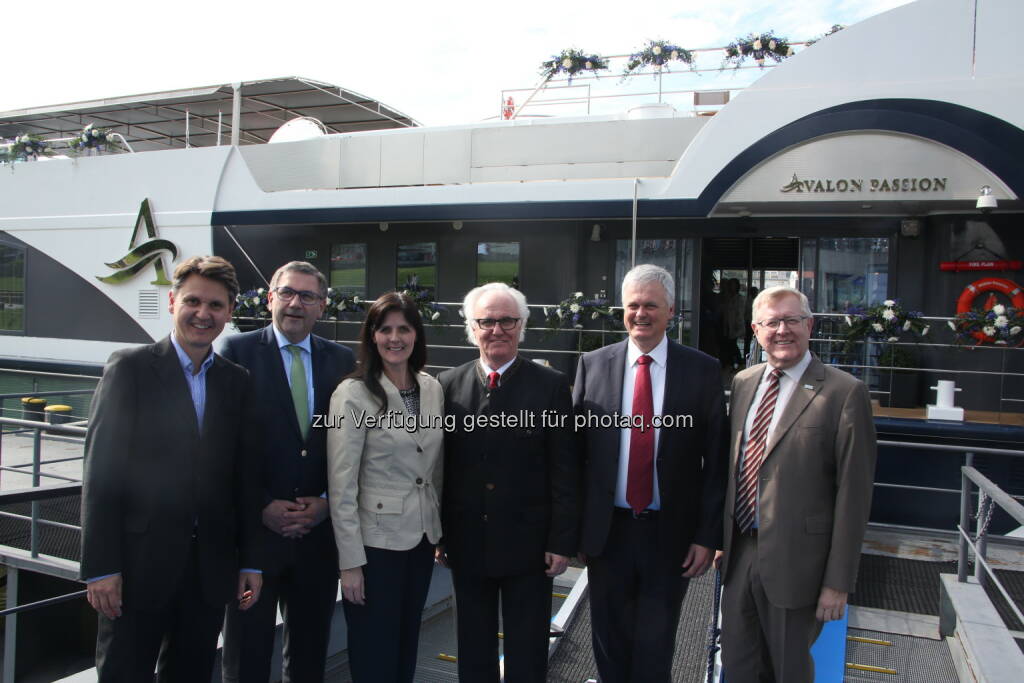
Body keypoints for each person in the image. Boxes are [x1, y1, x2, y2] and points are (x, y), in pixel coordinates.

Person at [80, 255, 262, 682]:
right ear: (172, 301)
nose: (204, 314)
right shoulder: (131, 368)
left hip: (208, 573)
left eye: (216, 305)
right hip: (137, 570)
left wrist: (250, 562)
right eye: (193, 301)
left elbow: (244, 480)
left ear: (229, 312)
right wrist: (102, 568)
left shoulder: (236, 381)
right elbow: (101, 473)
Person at [573, 263, 728, 683]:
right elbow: (575, 455)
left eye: (651, 306)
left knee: (656, 646)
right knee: (607, 639)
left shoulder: (702, 370)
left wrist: (706, 536)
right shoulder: (593, 364)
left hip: (670, 534)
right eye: (633, 305)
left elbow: (716, 462)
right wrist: (577, 531)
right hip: (609, 533)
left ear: (671, 311)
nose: (640, 314)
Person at [718, 285, 877, 682]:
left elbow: (853, 496)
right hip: (740, 554)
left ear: (810, 325)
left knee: (788, 671)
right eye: (772, 322)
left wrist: (838, 583)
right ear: (756, 331)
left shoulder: (844, 393)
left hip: (799, 565)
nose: (782, 330)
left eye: (791, 320)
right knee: (737, 666)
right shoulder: (744, 382)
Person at [220, 261, 355, 683]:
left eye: (307, 296)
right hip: (254, 543)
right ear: (270, 298)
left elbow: (348, 444)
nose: (295, 303)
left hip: (316, 540)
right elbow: (223, 446)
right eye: (287, 293)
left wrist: (327, 505)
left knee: (310, 655)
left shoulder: (341, 360)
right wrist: (262, 505)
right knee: (247, 657)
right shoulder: (235, 353)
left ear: (322, 306)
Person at [438, 282, 578, 683]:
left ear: (521, 325)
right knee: (473, 649)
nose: (496, 329)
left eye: (507, 321)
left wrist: (561, 541)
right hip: (467, 546)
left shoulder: (551, 386)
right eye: (487, 321)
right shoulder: (446, 385)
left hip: (530, 549)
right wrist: (440, 536)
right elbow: (439, 469)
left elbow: (564, 467)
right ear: (472, 327)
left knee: (528, 651)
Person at [327, 292, 444, 683]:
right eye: (386, 329)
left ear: (416, 335)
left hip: (422, 539)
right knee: (374, 651)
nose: (395, 338)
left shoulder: (431, 388)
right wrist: (350, 563)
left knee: (407, 641)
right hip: (375, 547)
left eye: (404, 329)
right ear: (372, 337)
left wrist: (439, 529)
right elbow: (342, 484)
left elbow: (434, 467)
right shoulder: (353, 393)